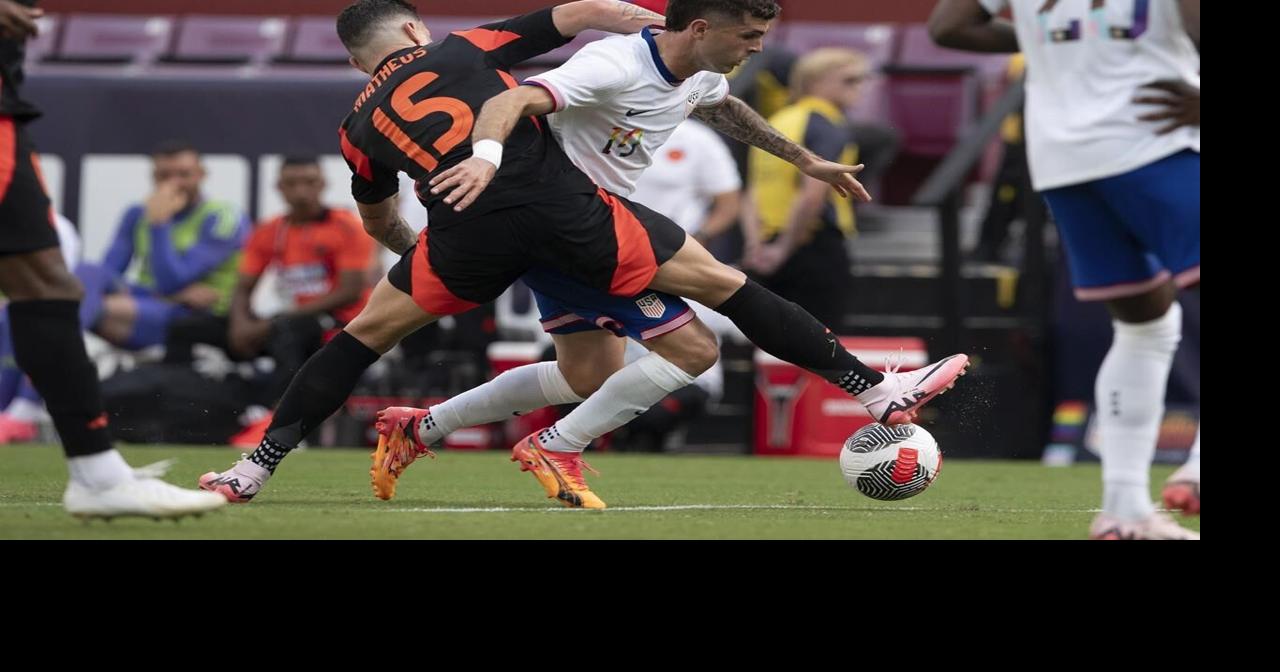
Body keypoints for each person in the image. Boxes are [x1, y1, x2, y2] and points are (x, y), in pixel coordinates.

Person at [928, 0, 1200, 539]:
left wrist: (1053, 38)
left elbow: (949, 26)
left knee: (1146, 326)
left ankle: (1124, 511)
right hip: (1157, 137)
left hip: (1065, 160)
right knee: (1147, 327)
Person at [0, 0, 225, 519]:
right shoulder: (136, 213)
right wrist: (152, 230)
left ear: (201, 175)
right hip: (138, 311)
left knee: (56, 284)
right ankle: (89, 464)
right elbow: (114, 270)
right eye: (166, 175)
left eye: (184, 175)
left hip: (193, 324)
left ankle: (48, 423)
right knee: (60, 282)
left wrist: (162, 226)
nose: (175, 184)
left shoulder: (221, 216)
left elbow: (176, 279)